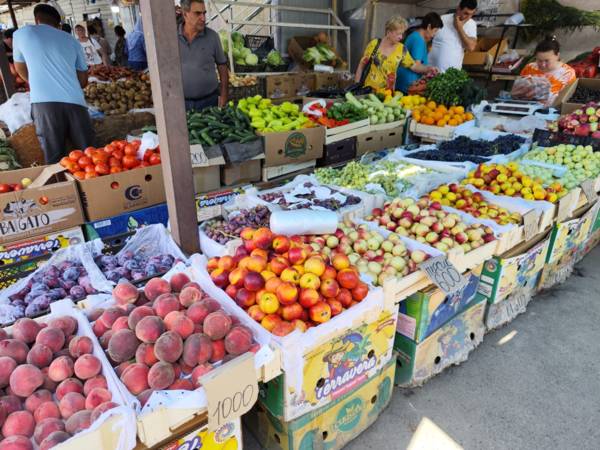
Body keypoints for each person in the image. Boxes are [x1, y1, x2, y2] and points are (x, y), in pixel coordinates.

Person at [12, 4, 95, 164]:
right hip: (76, 103)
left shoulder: (22, 34)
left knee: (54, 157)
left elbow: (19, 68)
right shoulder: (72, 41)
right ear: (58, 24)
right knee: (89, 156)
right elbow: (83, 81)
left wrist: (36, 81)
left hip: (44, 105)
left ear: (37, 19)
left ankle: (60, 188)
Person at [355, 16, 437, 92]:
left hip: (387, 94)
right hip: (367, 91)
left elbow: (414, 66)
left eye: (402, 34)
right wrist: (356, 87)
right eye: (398, 34)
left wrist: (428, 69)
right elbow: (361, 66)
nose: (401, 37)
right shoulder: (374, 44)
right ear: (388, 32)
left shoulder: (401, 49)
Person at [179, 0, 228, 111]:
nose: (203, 18)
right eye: (197, 13)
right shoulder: (172, 37)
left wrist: (224, 95)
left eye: (204, 13)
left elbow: (222, 67)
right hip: (180, 103)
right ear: (185, 14)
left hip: (209, 102)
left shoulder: (212, 37)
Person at [512, 36, 576, 105]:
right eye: (539, 60)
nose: (543, 65)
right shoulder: (530, 67)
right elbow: (517, 91)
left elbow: (568, 98)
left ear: (557, 56)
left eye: (547, 61)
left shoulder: (568, 73)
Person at [396, 12, 444, 93]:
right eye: (435, 31)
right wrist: (430, 70)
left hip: (406, 83)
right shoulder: (418, 40)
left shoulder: (416, 36)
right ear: (429, 27)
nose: (434, 35)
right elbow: (416, 65)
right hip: (407, 85)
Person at [429, 0, 478, 72]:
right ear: (458, 9)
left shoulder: (471, 24)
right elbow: (427, 39)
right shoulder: (442, 19)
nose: (468, 17)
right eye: (466, 13)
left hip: (452, 74)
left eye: (471, 14)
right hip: (431, 71)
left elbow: (471, 47)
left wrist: (459, 28)